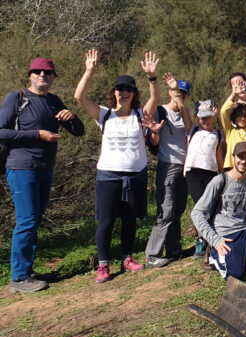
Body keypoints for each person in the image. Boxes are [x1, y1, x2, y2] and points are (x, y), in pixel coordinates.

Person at [74, 49, 163, 283]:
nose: (123, 93)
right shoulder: (104, 115)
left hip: (136, 175)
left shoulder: (139, 115)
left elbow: (155, 100)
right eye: (120, 89)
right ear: (113, 93)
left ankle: (127, 258)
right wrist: (89, 71)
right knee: (106, 220)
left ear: (134, 93)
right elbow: (79, 98)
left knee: (129, 219)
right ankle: (103, 265)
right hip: (108, 175)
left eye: (128, 89)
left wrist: (152, 78)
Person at [2, 56, 85, 293]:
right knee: (27, 221)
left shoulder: (53, 101)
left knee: (34, 221)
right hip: (21, 168)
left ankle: (27, 272)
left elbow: (78, 131)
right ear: (30, 75)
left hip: (44, 169)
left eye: (47, 73)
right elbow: (1, 132)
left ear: (53, 77)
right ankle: (19, 278)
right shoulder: (16, 98)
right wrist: (37, 135)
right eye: (37, 71)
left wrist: (72, 118)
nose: (42, 75)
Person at [190, 141, 246, 280]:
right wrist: (215, 240)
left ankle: (244, 256)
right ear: (233, 158)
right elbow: (196, 213)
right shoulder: (220, 181)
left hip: (245, 231)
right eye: (240, 157)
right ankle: (214, 256)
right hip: (226, 235)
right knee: (236, 276)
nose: (243, 161)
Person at [144, 73, 193, 267]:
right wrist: (155, 132)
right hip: (167, 165)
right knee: (166, 210)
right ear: (169, 92)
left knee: (178, 209)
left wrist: (182, 106)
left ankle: (173, 248)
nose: (178, 95)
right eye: (175, 91)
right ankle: (152, 254)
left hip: (184, 167)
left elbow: (189, 130)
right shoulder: (161, 111)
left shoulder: (185, 112)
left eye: (183, 93)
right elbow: (153, 140)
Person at [184, 99, 224, 258]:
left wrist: (223, 174)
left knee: (211, 206)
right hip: (193, 173)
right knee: (200, 206)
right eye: (202, 118)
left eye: (209, 117)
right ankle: (201, 240)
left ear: (214, 117)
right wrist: (175, 91)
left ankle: (211, 239)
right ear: (196, 117)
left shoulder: (218, 134)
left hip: (211, 173)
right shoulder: (192, 130)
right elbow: (183, 108)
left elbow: (219, 156)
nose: (206, 120)